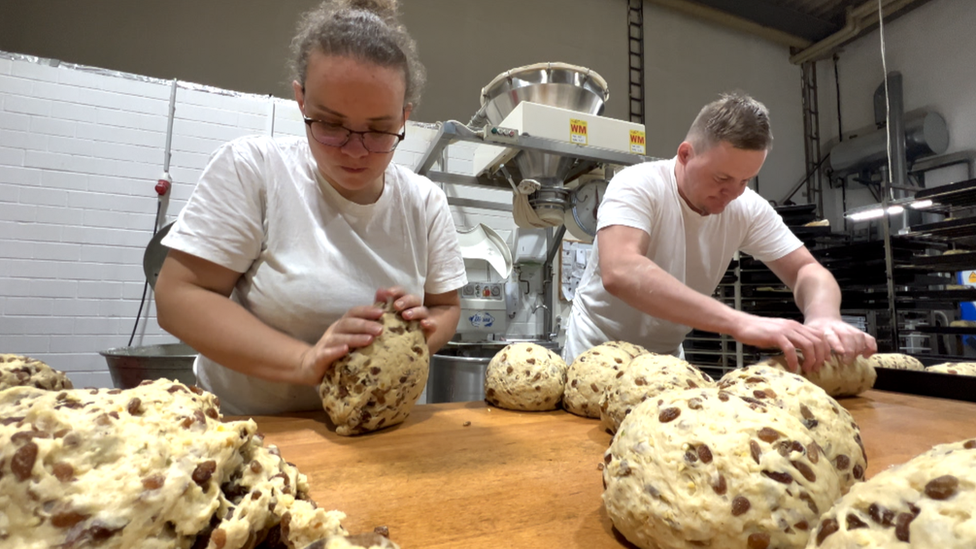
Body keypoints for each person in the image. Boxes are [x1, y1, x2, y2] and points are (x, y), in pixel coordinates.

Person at [154, 0, 466, 416]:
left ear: (405, 115)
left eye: (379, 130)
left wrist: (415, 333)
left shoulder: (424, 202)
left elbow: (446, 306)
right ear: (301, 99)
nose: (355, 150)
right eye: (331, 124)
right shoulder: (254, 170)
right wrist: (305, 361)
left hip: (377, 436)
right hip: (251, 432)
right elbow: (178, 297)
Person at [563, 93, 876, 373]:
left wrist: (824, 317)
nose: (733, 193)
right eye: (722, 177)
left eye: (745, 180)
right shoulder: (638, 184)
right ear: (685, 155)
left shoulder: (746, 208)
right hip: (597, 354)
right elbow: (620, 270)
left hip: (667, 360)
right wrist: (741, 323)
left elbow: (807, 270)